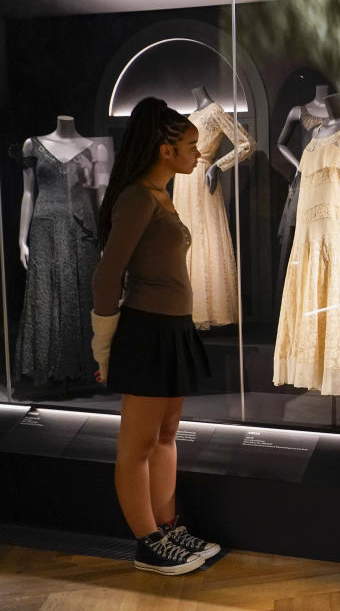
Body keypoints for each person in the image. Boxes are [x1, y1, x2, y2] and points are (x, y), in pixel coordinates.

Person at [91, 97, 218, 575]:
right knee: (137, 444)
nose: (198, 154)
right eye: (190, 145)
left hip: (172, 329)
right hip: (145, 330)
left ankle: (167, 527)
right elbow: (107, 277)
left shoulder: (162, 197)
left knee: (166, 436)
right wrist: (103, 344)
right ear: (165, 150)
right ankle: (147, 541)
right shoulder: (139, 198)